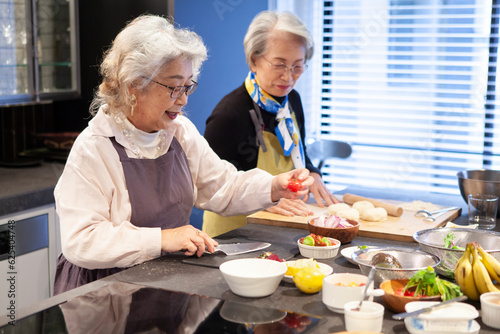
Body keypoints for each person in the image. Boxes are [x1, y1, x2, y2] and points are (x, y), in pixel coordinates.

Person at [53, 14, 313, 295]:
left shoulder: (179, 132)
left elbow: (222, 187)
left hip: (164, 279)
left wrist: (274, 186)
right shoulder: (94, 149)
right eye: (174, 87)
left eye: (188, 85)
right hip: (103, 291)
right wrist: (163, 239)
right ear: (134, 85)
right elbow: (81, 241)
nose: (184, 99)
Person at [203, 11, 340, 237]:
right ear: (254, 60)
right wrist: (264, 197)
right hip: (233, 236)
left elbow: (301, 152)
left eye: (297, 66)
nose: (288, 77)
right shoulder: (229, 115)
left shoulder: (292, 101)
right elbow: (210, 187)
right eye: (279, 65)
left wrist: (314, 173)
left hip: (278, 229)